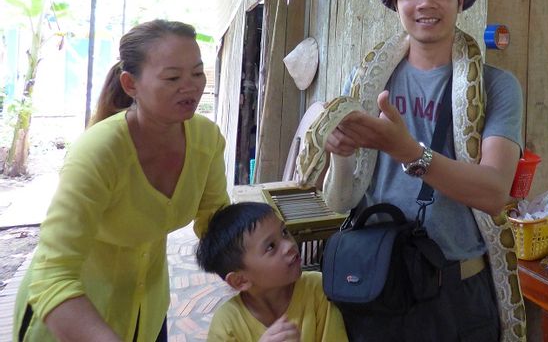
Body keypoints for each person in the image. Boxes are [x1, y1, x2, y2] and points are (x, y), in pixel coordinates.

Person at [324, 0, 525, 341]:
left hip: (457, 294)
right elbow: (339, 203)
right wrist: (341, 156)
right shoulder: (365, 83)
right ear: (397, 3)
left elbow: (493, 193)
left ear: (459, 0)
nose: (425, 3)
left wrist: (407, 152)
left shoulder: (496, 87)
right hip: (375, 282)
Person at [13, 19, 230, 342]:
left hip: (148, 311)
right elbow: (52, 275)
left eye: (197, 73)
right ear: (131, 85)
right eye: (173, 77)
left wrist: (254, 260)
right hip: (70, 318)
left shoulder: (206, 138)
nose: (191, 86)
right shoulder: (98, 152)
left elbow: (214, 220)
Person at [196, 202, 347, 342]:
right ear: (240, 280)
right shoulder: (226, 325)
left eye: (284, 232)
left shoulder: (318, 289)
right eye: (270, 247)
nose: (289, 245)